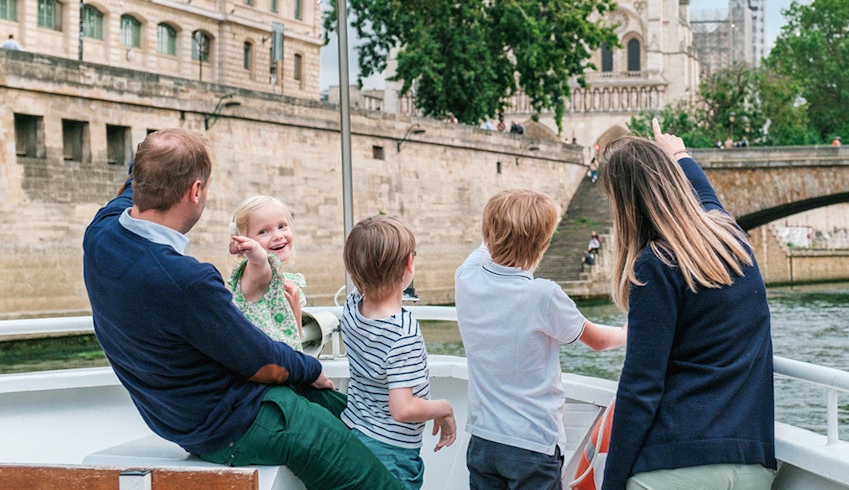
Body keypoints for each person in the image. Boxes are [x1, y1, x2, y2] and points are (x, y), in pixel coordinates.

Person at [82, 129, 402, 490]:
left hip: (183, 417)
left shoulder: (101, 234)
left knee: (349, 415)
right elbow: (262, 363)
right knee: (371, 477)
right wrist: (311, 368)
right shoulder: (185, 281)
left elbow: (129, 184)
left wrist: (149, 157)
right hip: (234, 423)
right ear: (196, 191)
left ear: (142, 179)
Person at [599, 119, 776, 490]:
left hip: (677, 466)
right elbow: (708, 202)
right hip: (752, 466)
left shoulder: (656, 265)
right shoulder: (733, 242)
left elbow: (640, 387)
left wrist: (613, 481)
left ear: (625, 207)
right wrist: (679, 155)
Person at [456, 189, 626, 490]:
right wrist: (631, 330)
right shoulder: (543, 295)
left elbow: (486, 245)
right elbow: (598, 341)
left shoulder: (466, 277)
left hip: (484, 440)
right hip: (532, 444)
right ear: (545, 243)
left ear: (486, 231)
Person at [341, 215, 456, 489]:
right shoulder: (403, 333)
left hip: (354, 432)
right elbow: (403, 410)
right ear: (409, 263)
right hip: (391, 452)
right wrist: (445, 408)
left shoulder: (352, 306)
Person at [228, 195, 307, 350]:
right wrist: (253, 250)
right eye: (263, 231)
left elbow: (294, 339)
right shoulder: (255, 276)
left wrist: (296, 311)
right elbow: (259, 261)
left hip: (284, 368)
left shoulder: (286, 283)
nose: (278, 236)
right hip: (261, 371)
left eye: (282, 226)